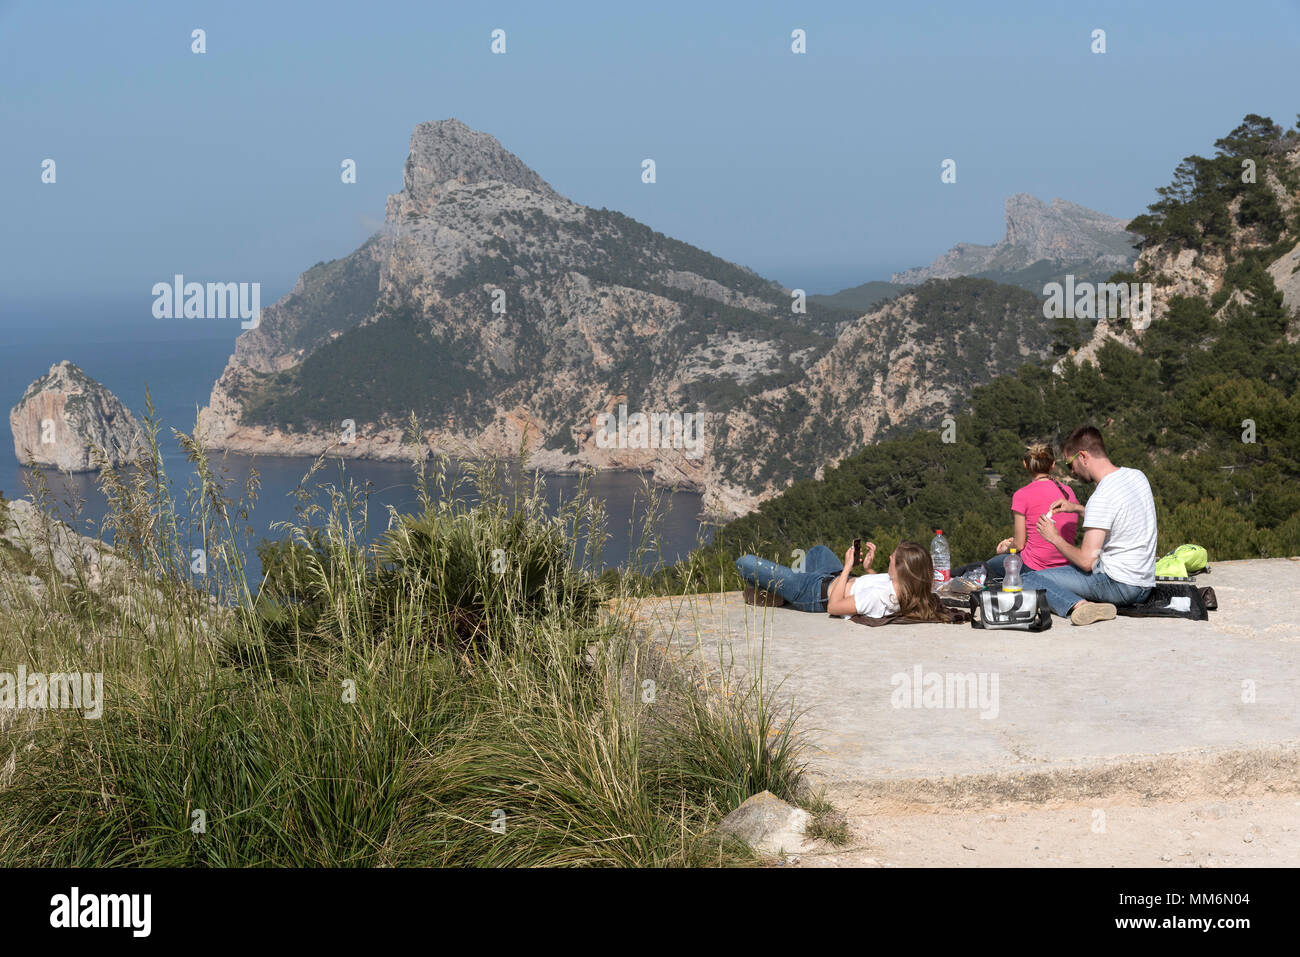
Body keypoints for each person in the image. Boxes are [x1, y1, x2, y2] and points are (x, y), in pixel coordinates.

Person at [1021, 425, 1157, 625]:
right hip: (1144, 584)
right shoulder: (1137, 476)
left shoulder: (1101, 496)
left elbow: (1085, 561)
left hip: (1119, 585)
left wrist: (1053, 537)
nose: (1072, 471)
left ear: (1083, 456)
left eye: (1070, 463)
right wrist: (1076, 509)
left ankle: (1080, 606)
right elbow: (1118, 518)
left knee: (1029, 579)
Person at [735, 540, 947, 621]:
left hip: (813, 593)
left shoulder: (880, 599)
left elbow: (834, 607)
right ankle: (783, 590)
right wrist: (866, 569)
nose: (890, 558)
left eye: (893, 557)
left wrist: (847, 568)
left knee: (745, 562)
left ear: (902, 568)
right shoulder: (902, 586)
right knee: (819, 550)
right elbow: (872, 586)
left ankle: (787, 593)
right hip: (832, 577)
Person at [984, 442, 1080, 578]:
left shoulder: (1022, 495)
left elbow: (1018, 544)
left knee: (987, 566)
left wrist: (1005, 547)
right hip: (1067, 563)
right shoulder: (1068, 491)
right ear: (1052, 465)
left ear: (1025, 464)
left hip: (1036, 566)